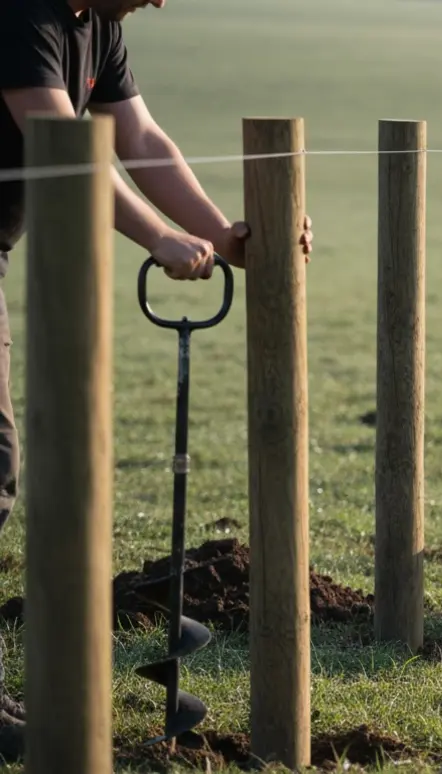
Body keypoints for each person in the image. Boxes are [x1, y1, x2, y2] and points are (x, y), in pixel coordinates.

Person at [0, 0, 314, 759]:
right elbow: (67, 149)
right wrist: (158, 236)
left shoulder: (97, 26)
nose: (161, 0)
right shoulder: (21, 15)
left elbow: (139, 138)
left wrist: (223, 236)